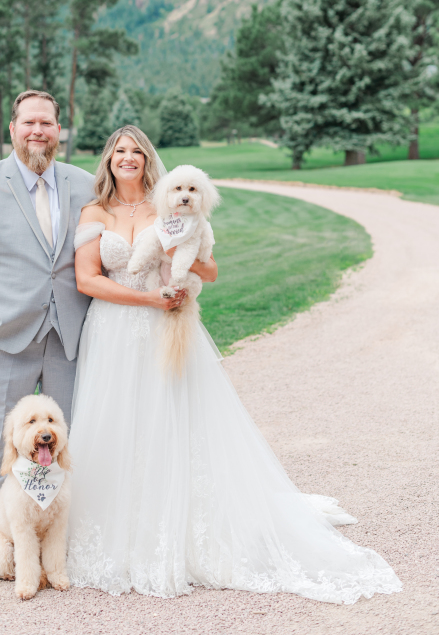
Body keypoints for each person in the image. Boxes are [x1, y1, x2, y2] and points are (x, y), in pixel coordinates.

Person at [67, 125, 402, 603]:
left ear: (147, 160)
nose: (127, 158)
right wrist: (149, 300)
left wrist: (185, 265)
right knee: (118, 427)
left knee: (173, 425)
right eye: (119, 151)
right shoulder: (94, 212)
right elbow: (87, 280)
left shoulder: (173, 205)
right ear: (108, 159)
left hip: (168, 330)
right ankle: (117, 532)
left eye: (136, 151)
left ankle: (179, 532)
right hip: (114, 331)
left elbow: (211, 270)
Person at [0, 90, 95, 588]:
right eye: (28, 122)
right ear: (12, 128)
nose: (37, 131)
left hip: (69, 335)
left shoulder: (84, 184)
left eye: (46, 123)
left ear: (58, 129)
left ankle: (63, 549)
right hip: (2, 337)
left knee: (65, 444)